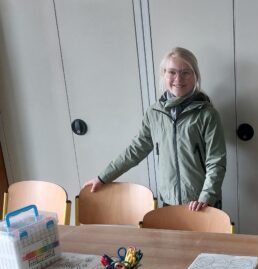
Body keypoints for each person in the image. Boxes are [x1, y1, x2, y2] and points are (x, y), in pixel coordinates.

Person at [84, 47, 226, 211]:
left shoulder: (207, 114)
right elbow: (135, 150)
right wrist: (103, 177)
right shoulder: (154, 113)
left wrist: (206, 197)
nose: (178, 78)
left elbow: (216, 161)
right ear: (164, 75)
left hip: (201, 203)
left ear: (195, 75)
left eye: (186, 72)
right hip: (169, 201)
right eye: (172, 72)